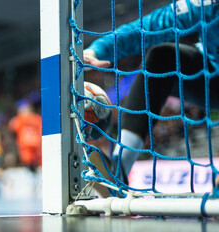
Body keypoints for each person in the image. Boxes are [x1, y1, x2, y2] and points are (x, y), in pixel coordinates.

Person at [83, 0, 219, 194]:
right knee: (162, 57)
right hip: (212, 78)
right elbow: (149, 26)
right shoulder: (206, 4)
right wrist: (97, 50)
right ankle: (118, 172)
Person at [9, 99, 42, 172]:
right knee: (30, 166)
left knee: (35, 166)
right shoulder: (36, 118)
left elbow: (12, 125)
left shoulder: (20, 119)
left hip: (33, 147)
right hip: (28, 147)